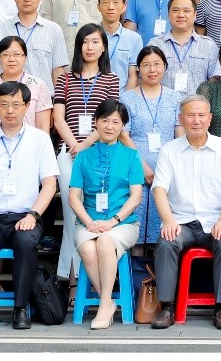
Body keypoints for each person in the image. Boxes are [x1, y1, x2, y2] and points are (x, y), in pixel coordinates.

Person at [0, 80, 59, 331]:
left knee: (27, 242)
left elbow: (50, 185)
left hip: (25, 216)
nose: (9, 110)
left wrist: (33, 215)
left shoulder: (40, 140)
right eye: (4, 104)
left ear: (27, 107)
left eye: (16, 105)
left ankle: (20, 309)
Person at [149, 95, 221, 331]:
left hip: (216, 220)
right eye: (191, 115)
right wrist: (168, 220)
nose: (196, 120)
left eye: (201, 115)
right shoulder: (170, 150)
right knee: (167, 241)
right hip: (182, 222)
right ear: (181, 119)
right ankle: (166, 307)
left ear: (210, 119)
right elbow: (159, 189)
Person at [53, 23, 122, 284]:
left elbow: (110, 119)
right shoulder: (65, 79)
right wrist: (74, 145)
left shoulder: (111, 79)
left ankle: (90, 278)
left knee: (94, 213)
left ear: (103, 47)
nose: (90, 47)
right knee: (73, 214)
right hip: (68, 153)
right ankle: (73, 279)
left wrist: (84, 146)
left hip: (99, 152)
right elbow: (58, 118)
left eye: (95, 42)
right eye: (85, 42)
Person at [68, 100, 145, 329]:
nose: (109, 126)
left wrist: (113, 221)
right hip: (88, 222)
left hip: (123, 223)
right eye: (104, 120)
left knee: (104, 242)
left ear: (122, 126)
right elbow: (74, 197)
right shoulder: (83, 156)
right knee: (88, 247)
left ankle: (103, 305)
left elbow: (136, 197)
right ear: (96, 122)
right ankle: (108, 301)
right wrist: (89, 222)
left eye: (115, 122)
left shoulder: (132, 156)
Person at [120, 46, 185, 250]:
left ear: (165, 67)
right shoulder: (127, 98)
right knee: (136, 228)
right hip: (135, 166)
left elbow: (179, 133)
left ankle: (160, 268)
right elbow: (123, 135)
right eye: (146, 65)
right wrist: (143, 167)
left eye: (157, 64)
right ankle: (137, 268)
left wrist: (172, 166)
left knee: (164, 231)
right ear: (138, 69)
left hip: (168, 167)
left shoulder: (175, 98)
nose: (152, 69)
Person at [0, 0, 69, 88]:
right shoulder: (0, 29)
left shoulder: (54, 30)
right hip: (7, 96)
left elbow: (58, 71)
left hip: (42, 97)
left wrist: (58, 98)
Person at [0, 35, 52, 138]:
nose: (11, 59)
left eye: (17, 54)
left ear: (25, 57)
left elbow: (43, 127)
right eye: (5, 54)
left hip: (29, 145)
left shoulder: (38, 85)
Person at [150, 0, 217, 92]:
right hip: (164, 101)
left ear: (195, 15)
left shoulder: (208, 45)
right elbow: (147, 81)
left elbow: (214, 83)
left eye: (186, 11)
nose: (181, 15)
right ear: (168, 15)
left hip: (198, 101)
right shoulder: (155, 45)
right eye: (175, 10)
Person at [98, 0, 143, 86]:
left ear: (124, 7)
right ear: (98, 7)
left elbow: (133, 75)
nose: (110, 7)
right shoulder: (90, 36)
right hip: (94, 93)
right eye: (106, 2)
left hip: (123, 94)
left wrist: (126, 96)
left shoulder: (134, 39)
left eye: (115, 2)